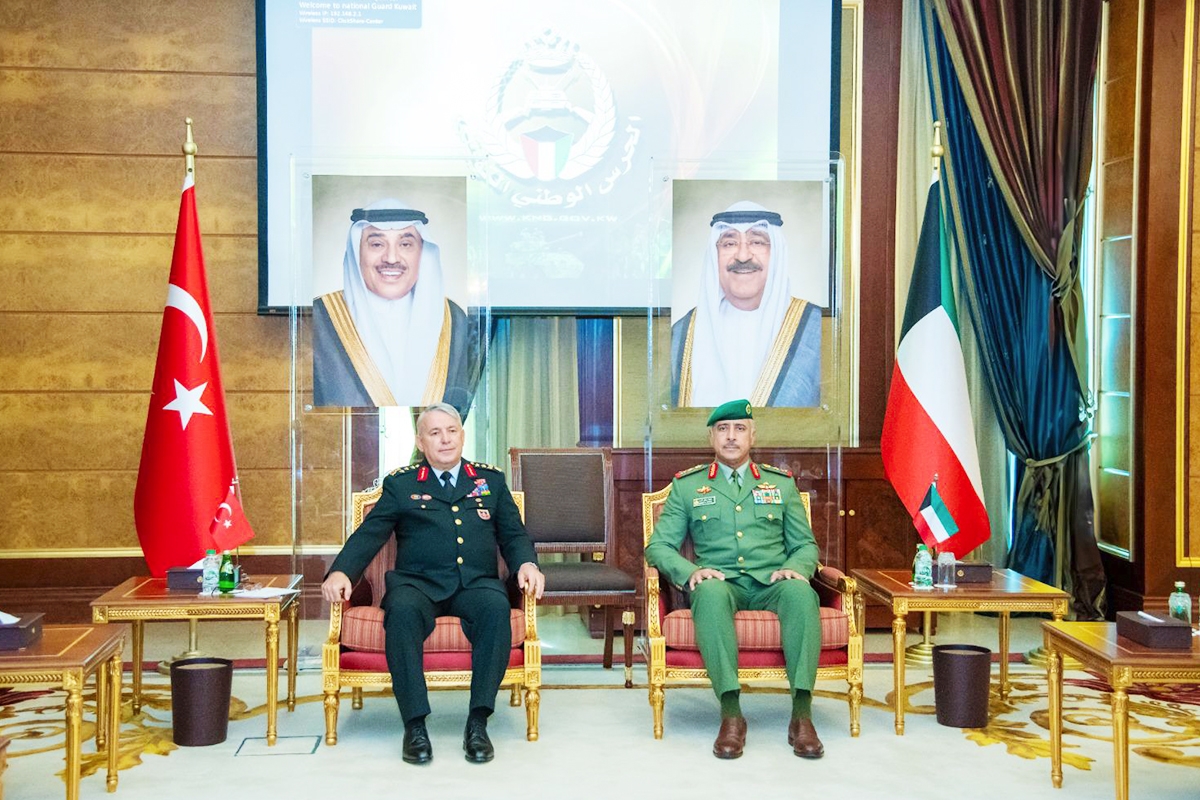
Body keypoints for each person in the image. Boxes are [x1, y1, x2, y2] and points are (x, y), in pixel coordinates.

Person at [321, 402, 545, 765]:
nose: (445, 439)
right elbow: (370, 534)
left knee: (495, 609)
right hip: (417, 585)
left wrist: (527, 564)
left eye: (452, 431)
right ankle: (414, 725)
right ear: (420, 441)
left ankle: (478, 723)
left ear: (462, 435)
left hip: (475, 584)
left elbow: (513, 534)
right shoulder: (402, 484)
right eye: (435, 433)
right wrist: (341, 571)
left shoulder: (490, 481)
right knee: (401, 613)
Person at [644, 399, 824, 760]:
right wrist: (691, 572)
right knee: (709, 594)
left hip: (772, 581)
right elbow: (658, 547)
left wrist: (797, 568)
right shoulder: (688, 486)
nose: (731, 436)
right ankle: (731, 714)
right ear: (711, 437)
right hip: (721, 582)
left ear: (752, 437)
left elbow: (806, 544)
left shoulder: (780, 484)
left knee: (802, 595)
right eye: (723, 429)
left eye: (739, 429)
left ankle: (802, 715)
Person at [312, 199, 480, 411]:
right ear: (357, 252)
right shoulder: (319, 317)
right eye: (377, 244)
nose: (391, 258)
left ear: (422, 252)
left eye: (405, 245)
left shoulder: (453, 319)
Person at [671, 200, 822, 408]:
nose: (742, 256)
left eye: (757, 242)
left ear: (776, 253)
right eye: (729, 244)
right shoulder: (681, 333)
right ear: (715, 255)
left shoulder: (817, 329)